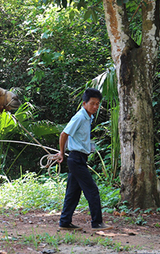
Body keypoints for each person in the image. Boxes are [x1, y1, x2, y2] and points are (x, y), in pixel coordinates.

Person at [55, 88, 112, 231]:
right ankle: (97, 223)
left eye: (97, 104)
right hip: (76, 159)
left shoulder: (88, 117)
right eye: (92, 103)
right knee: (92, 190)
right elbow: (64, 134)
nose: (95, 106)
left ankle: (65, 222)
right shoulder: (80, 117)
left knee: (73, 193)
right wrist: (61, 153)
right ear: (84, 103)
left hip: (79, 158)